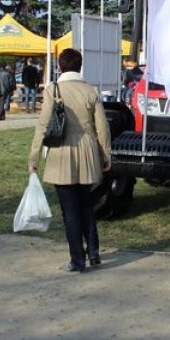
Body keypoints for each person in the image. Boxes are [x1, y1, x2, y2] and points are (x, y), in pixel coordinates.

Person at [28, 48, 111, 273]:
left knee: (70, 211)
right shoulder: (91, 91)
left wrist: (33, 157)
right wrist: (106, 154)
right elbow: (102, 128)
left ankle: (77, 259)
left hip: (61, 152)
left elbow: (43, 125)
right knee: (86, 205)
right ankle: (93, 251)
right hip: (87, 150)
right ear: (80, 66)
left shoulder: (52, 90)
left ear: (60, 66)